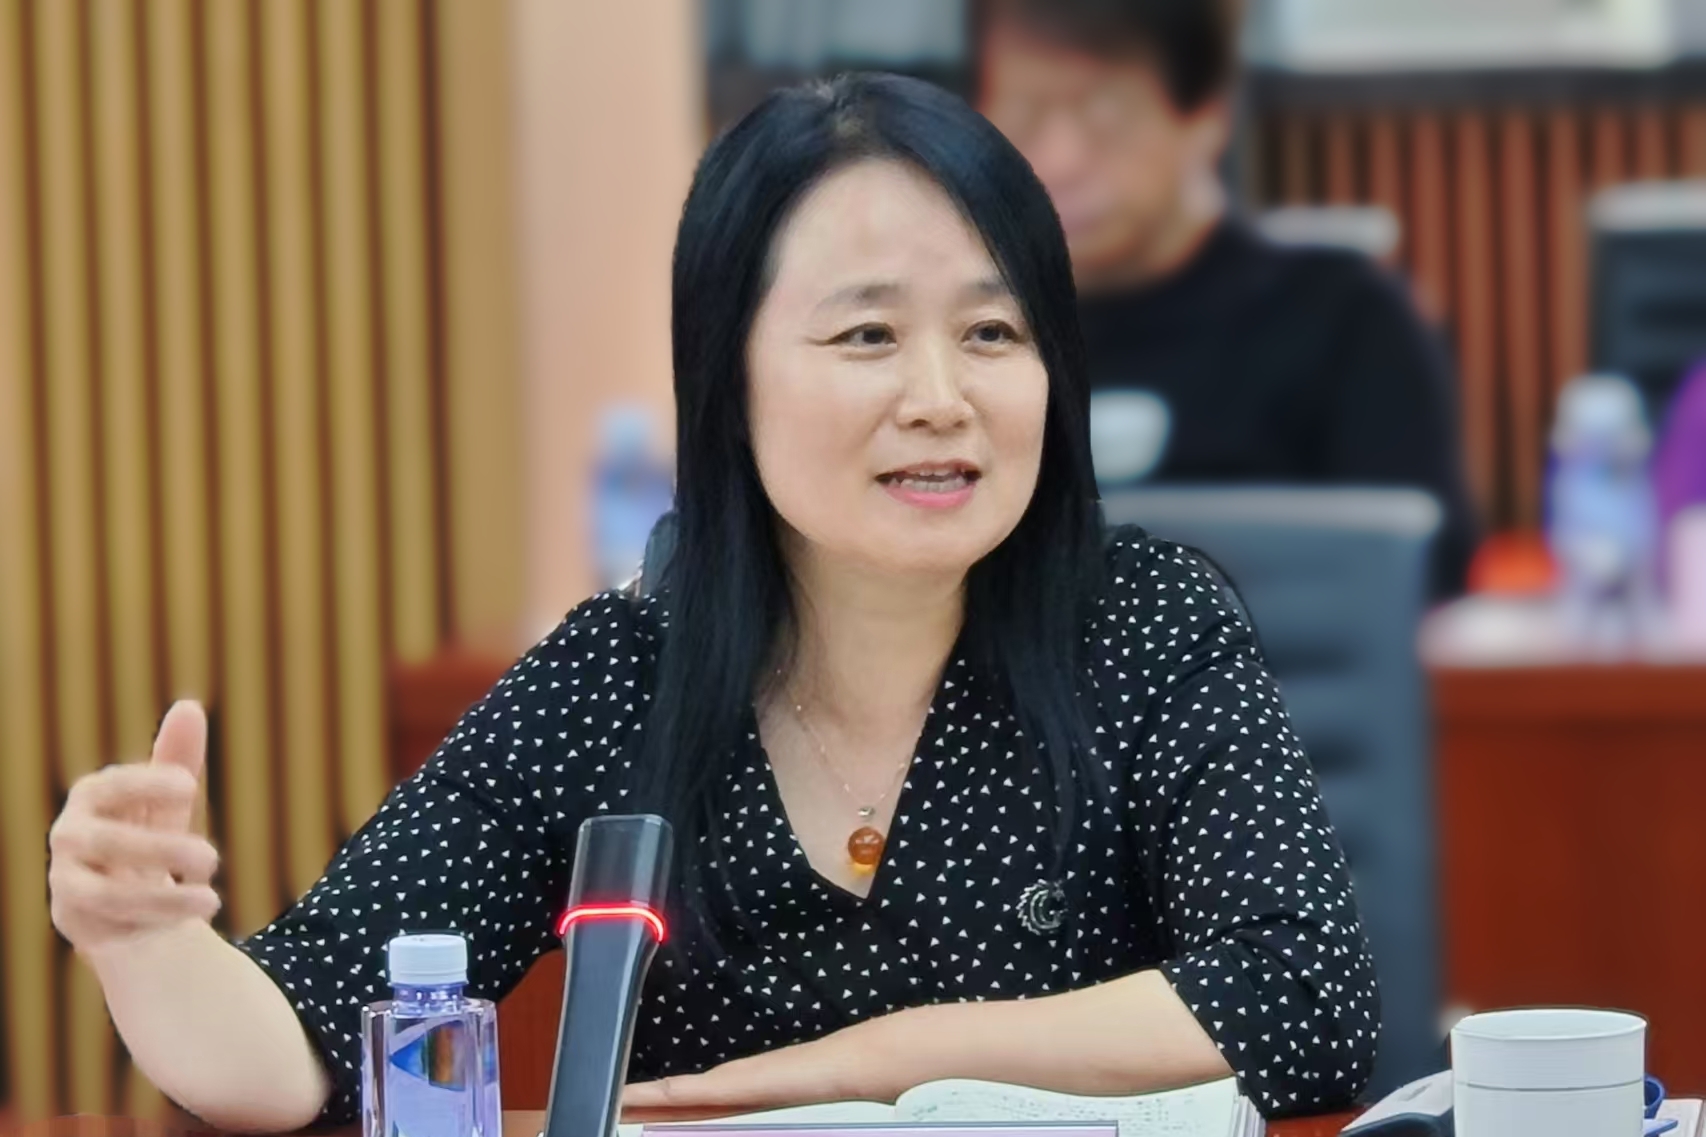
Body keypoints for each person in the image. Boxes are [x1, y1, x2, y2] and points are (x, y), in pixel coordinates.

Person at [47, 74, 1378, 1132]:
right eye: (866, 335)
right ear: (727, 384)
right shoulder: (622, 675)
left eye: (991, 332)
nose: (940, 397)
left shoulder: (1144, 623)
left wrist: (877, 1063)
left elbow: (1305, 997)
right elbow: (299, 1050)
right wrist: (145, 943)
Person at [977, 0, 1478, 597]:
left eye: (1106, 115)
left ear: (1206, 118)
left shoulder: (1347, 321)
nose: (1060, 161)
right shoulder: (959, 336)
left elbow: (1423, 576)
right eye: (1024, 113)